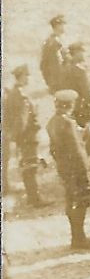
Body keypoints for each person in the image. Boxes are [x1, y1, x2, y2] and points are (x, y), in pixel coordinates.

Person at [46, 89, 90, 248]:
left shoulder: (52, 121)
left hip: (64, 168)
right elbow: (77, 150)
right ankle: (79, 239)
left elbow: (53, 149)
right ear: (70, 105)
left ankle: (77, 237)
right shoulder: (68, 123)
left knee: (71, 200)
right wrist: (86, 170)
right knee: (80, 202)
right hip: (75, 169)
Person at [3, 65, 44, 206]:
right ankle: (35, 199)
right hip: (28, 137)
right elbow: (21, 121)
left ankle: (33, 197)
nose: (28, 78)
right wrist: (19, 137)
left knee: (28, 166)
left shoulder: (14, 93)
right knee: (30, 167)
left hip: (24, 138)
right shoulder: (21, 96)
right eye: (27, 76)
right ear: (21, 77)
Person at [40, 13, 70, 93]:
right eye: (62, 24)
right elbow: (57, 65)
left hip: (55, 81)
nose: (64, 27)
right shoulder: (55, 43)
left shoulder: (53, 40)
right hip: (59, 81)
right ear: (57, 26)